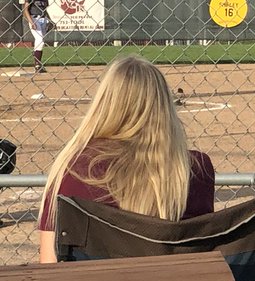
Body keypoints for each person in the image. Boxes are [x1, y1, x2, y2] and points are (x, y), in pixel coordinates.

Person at [37, 56, 214, 265]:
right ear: (164, 106)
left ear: (104, 105)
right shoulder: (194, 169)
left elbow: (49, 262)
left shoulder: (74, 169)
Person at [23, 0, 50, 75]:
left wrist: (49, 20)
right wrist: (31, 21)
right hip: (34, 18)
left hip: (43, 19)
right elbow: (25, 9)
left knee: (40, 42)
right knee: (40, 40)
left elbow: (45, 9)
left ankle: (37, 65)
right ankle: (37, 65)